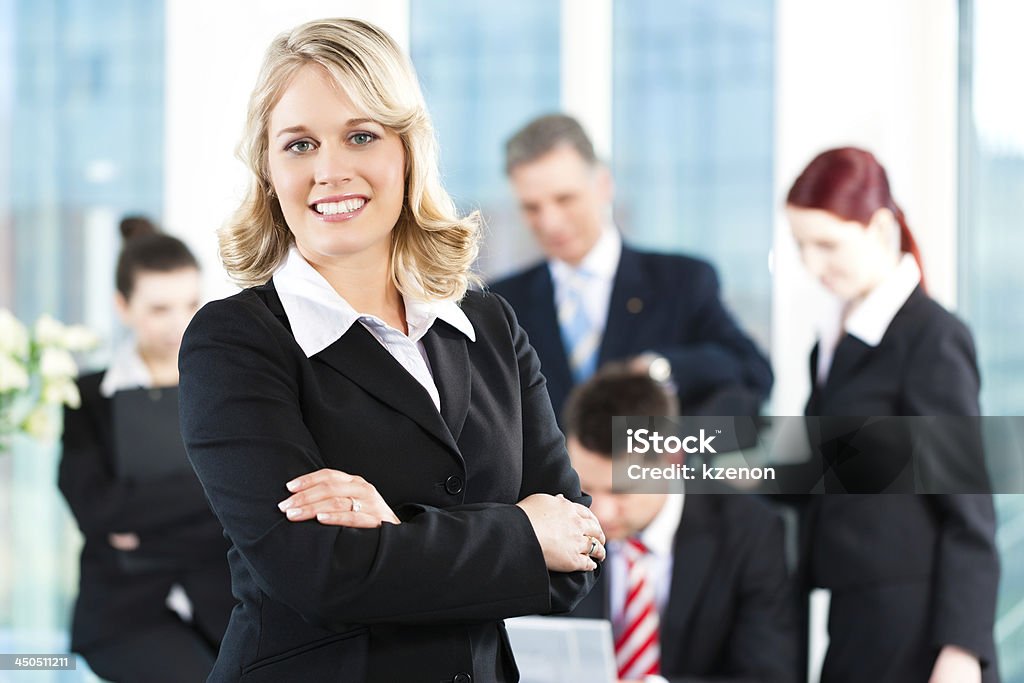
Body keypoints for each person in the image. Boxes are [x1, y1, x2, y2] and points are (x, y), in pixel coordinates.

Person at [176, 18, 604, 683]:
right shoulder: (233, 341)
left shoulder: (488, 325)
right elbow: (319, 575)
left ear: (407, 150)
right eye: (299, 144)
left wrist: (393, 533)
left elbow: (577, 553)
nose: (328, 170)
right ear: (267, 167)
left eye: (362, 135)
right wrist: (521, 534)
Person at [784, 147, 1001, 682]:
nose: (813, 266)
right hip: (855, 618)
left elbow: (969, 507)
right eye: (801, 246)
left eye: (827, 245)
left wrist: (961, 648)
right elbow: (808, 470)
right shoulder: (835, 341)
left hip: (918, 630)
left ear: (880, 228)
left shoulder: (931, 338)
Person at [489, 113, 772, 422]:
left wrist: (658, 370)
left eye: (565, 199)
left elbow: (752, 370)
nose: (549, 222)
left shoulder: (682, 282)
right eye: (532, 207)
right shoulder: (501, 303)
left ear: (603, 185)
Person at [59, 217, 234, 683]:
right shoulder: (88, 397)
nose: (180, 323)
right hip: (120, 618)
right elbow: (97, 510)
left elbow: (256, 497)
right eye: (159, 308)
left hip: (229, 608)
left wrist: (140, 523)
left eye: (191, 304)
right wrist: (207, 495)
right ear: (123, 306)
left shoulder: (230, 390)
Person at [562, 365, 798, 683]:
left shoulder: (750, 532)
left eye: (623, 490)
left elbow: (769, 675)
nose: (601, 512)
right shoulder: (559, 520)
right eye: (586, 487)